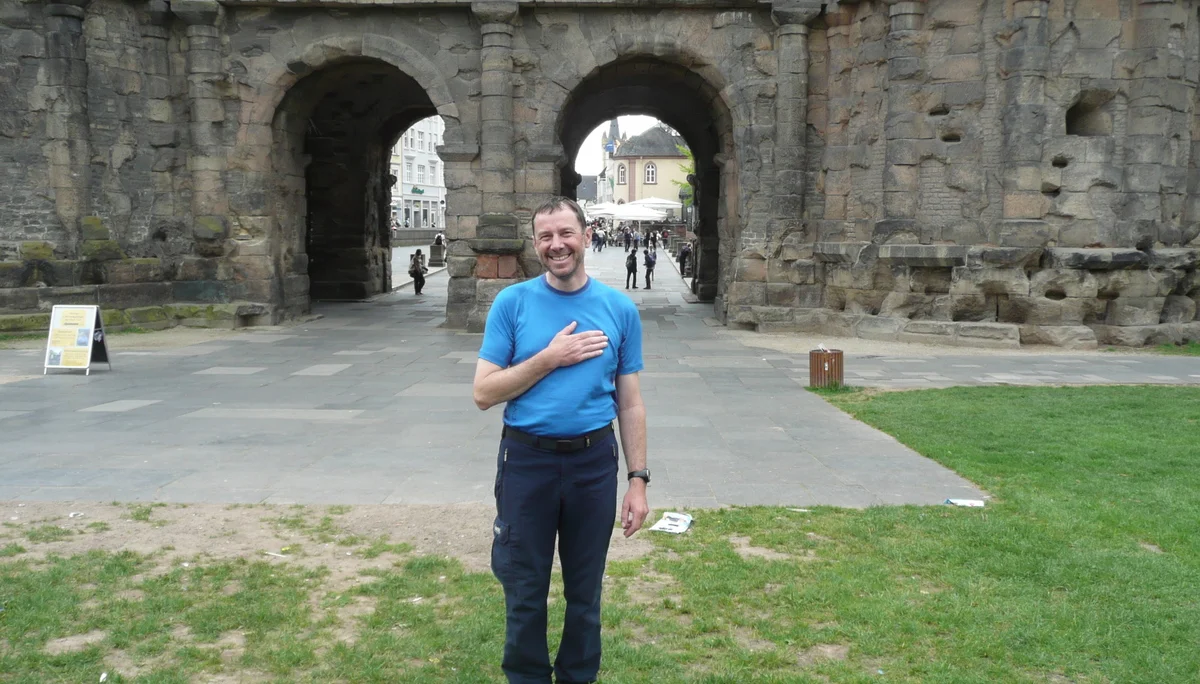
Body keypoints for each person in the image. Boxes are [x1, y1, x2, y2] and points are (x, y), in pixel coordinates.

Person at [473, 196, 650, 684]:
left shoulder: (618, 309)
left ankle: (577, 677)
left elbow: (630, 403)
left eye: (566, 234)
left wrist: (638, 480)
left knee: (585, 592)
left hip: (594, 465)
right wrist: (549, 358)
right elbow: (484, 392)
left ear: (587, 236)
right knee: (524, 589)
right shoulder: (513, 303)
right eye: (546, 237)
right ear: (535, 245)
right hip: (527, 461)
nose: (557, 245)